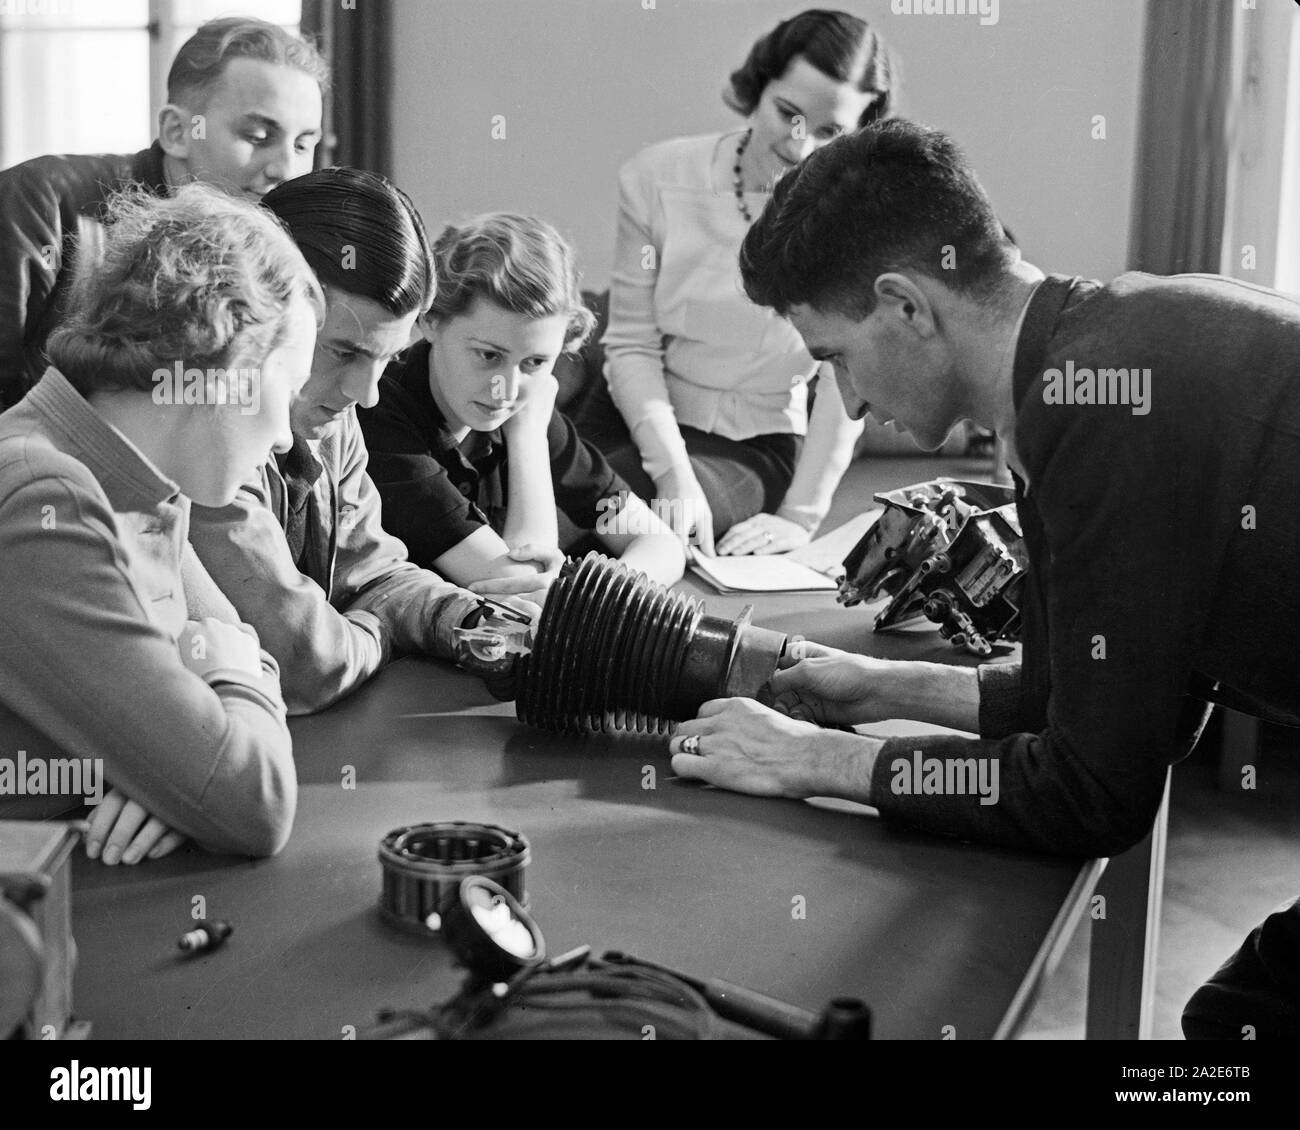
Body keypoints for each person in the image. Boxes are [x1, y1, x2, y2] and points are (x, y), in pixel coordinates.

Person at [666, 118, 1300, 1038]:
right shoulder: (1083, 365)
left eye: (834, 358)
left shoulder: (1103, 408)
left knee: (1238, 1036)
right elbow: (1080, 695)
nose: (844, 401)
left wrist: (820, 760)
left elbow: (1091, 793)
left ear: (907, 305)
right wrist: (874, 689)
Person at [0, 184, 323, 862]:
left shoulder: (139, 478)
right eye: (287, 392)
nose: (290, 442)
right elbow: (251, 801)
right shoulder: (44, 493)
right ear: (230, 364)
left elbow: (236, 649)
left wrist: (168, 778)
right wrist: (190, 772)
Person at [186, 168, 523, 715]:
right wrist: (374, 631)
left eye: (386, 359)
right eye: (343, 352)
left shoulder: (330, 418)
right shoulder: (204, 438)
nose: (366, 396)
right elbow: (304, 663)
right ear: (257, 313)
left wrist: (469, 621)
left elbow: (373, 574)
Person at [575, 8, 894, 555]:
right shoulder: (656, 176)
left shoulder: (859, 219)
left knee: (617, 520)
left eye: (830, 132)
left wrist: (800, 516)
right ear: (757, 87)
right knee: (534, 500)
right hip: (632, 409)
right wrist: (674, 474)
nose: (800, 147)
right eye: (787, 113)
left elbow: (848, 375)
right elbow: (630, 344)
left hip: (752, 441)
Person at [0, 16, 328, 411]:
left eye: (303, 145)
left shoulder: (287, 248)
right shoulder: (43, 200)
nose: (285, 169)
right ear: (176, 131)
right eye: (258, 137)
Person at [358, 212, 685, 608]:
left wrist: (586, 596)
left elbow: (661, 544)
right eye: (488, 355)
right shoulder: (381, 416)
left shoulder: (529, 407)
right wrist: (527, 437)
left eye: (534, 363)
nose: (506, 390)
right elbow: (519, 591)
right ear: (431, 320)